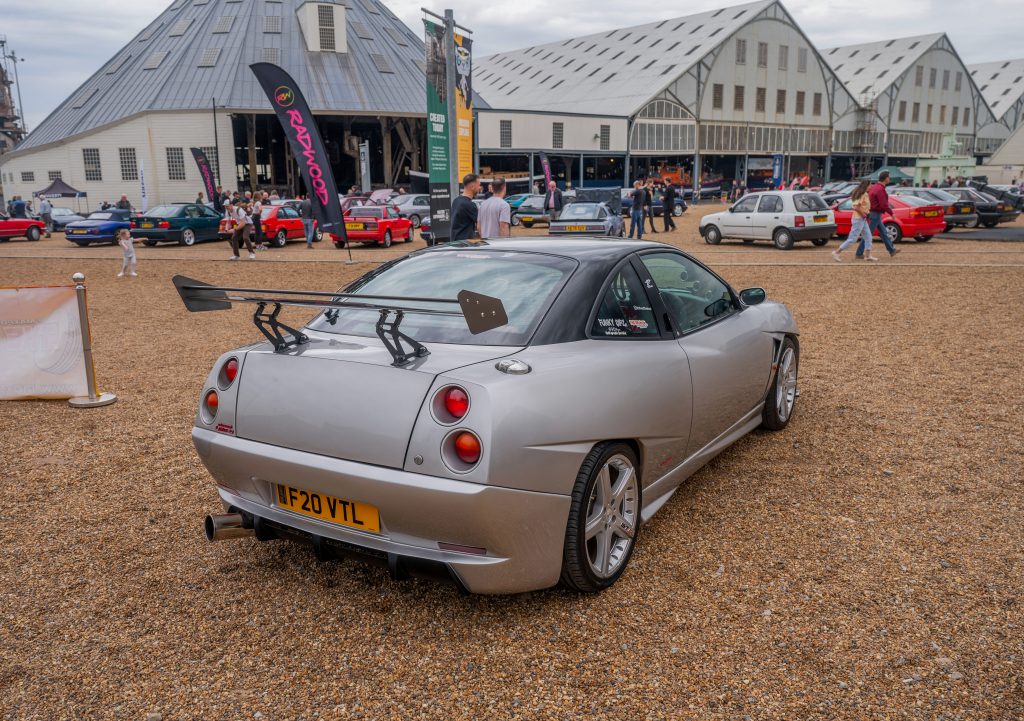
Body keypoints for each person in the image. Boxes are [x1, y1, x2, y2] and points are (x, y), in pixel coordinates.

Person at [857, 171, 899, 258]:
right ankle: (859, 253)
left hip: (874, 213)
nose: (889, 179)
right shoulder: (880, 189)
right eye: (889, 177)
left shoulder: (874, 187)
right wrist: (892, 213)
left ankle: (892, 250)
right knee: (868, 234)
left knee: (883, 232)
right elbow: (884, 205)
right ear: (886, 178)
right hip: (875, 214)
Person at [832, 181, 877, 262]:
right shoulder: (862, 194)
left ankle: (867, 256)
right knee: (852, 238)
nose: (871, 186)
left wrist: (866, 214)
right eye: (870, 185)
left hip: (862, 219)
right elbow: (856, 207)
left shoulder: (865, 194)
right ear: (866, 185)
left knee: (868, 237)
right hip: (858, 219)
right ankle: (836, 252)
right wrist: (863, 214)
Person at [450, 173, 480, 241]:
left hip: (455, 242)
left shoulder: (456, 201)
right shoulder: (469, 205)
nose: (479, 188)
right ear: (472, 187)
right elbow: (480, 225)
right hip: (465, 245)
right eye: (478, 185)